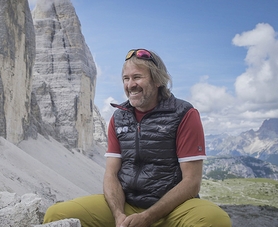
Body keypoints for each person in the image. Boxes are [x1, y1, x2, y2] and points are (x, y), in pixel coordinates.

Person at [42, 48, 232, 227]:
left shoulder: (184, 114)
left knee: (216, 220)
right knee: (56, 215)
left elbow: (192, 182)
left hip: (173, 208)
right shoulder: (119, 117)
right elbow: (111, 174)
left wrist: (147, 217)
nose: (130, 84)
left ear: (157, 80)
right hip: (128, 204)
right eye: (126, 78)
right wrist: (118, 215)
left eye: (137, 77)